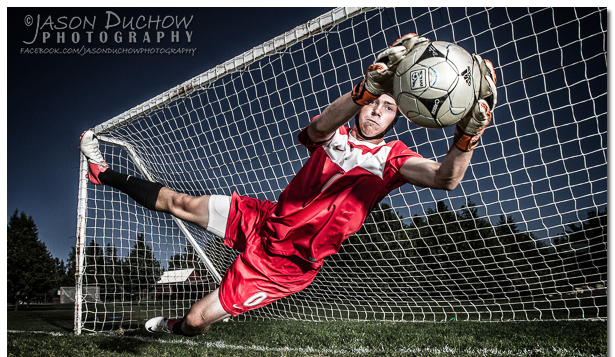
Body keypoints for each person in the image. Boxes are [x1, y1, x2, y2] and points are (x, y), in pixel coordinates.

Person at [79, 34, 497, 336]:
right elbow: (315, 130)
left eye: (388, 108)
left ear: (397, 116)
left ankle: (175, 326)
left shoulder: (394, 159)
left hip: (286, 265)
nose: (376, 112)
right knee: (179, 201)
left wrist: (467, 137)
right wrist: (365, 89)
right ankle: (104, 172)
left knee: (193, 321)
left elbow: (447, 179)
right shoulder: (337, 131)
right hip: (263, 219)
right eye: (373, 104)